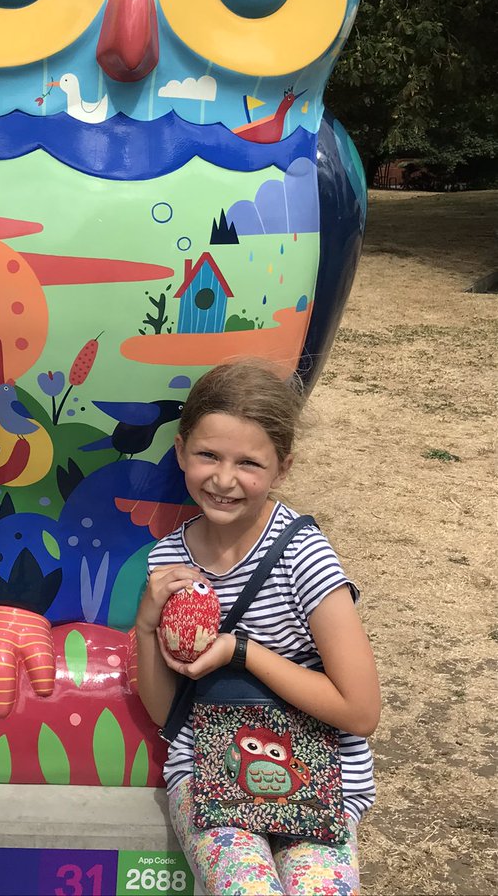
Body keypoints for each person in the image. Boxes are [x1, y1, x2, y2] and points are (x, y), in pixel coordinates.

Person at [135, 360, 379, 896]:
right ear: (180, 451)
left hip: (315, 775)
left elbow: (361, 711)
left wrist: (238, 652)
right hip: (209, 770)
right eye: (207, 455)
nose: (224, 479)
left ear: (281, 468)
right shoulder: (169, 558)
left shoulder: (303, 555)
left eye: (249, 463)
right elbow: (163, 710)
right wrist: (146, 623)